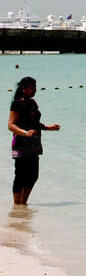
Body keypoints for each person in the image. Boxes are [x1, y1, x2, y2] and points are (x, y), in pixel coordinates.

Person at [8, 76, 60, 204]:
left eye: (35, 87)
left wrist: (48, 128)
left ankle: (23, 204)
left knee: (33, 176)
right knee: (20, 176)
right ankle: (17, 204)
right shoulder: (17, 103)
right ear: (23, 89)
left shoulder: (32, 103)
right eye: (32, 88)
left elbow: (35, 122)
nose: (35, 90)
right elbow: (11, 125)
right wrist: (25, 133)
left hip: (34, 144)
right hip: (21, 144)